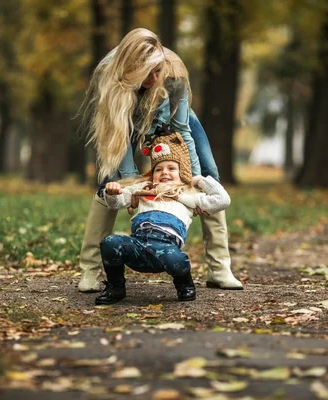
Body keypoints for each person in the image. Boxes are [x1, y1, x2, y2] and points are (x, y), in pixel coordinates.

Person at [77, 27, 243, 293]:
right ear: (130, 69)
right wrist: (130, 187)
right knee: (109, 182)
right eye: (148, 73)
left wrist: (192, 180)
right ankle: (90, 271)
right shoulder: (106, 75)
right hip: (121, 125)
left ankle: (220, 269)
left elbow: (183, 130)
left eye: (158, 71)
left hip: (172, 122)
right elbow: (118, 139)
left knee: (210, 174)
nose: (155, 78)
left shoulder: (173, 74)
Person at [96, 132, 231, 304]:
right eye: (158, 169)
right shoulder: (144, 188)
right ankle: (116, 287)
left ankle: (184, 283)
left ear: (182, 171)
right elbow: (117, 202)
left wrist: (200, 181)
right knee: (109, 242)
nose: (164, 173)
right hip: (138, 244)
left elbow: (223, 200)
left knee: (176, 258)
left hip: (166, 247)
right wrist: (112, 192)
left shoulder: (189, 194)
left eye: (171, 168)